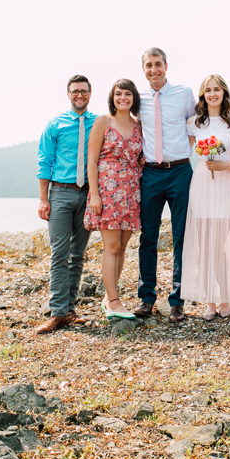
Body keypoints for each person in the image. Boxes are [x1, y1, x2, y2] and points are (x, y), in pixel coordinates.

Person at [135, 48, 197, 323]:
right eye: (149, 65)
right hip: (150, 173)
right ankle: (146, 298)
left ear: (166, 66)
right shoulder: (137, 98)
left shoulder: (184, 93)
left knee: (181, 235)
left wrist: (185, 151)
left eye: (158, 64)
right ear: (143, 69)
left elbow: (196, 125)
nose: (154, 69)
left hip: (180, 171)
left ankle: (177, 301)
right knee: (148, 236)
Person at [36, 75, 97, 334]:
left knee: (78, 254)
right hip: (60, 193)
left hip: (88, 195)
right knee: (59, 253)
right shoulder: (55, 124)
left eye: (83, 91)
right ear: (68, 94)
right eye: (75, 91)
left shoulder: (99, 123)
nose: (79, 95)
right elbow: (45, 161)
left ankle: (70, 309)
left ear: (90, 93)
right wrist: (43, 199)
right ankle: (57, 312)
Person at [181, 75, 230, 319]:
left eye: (217, 89)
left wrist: (226, 166)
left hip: (227, 183)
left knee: (218, 245)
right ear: (202, 95)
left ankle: (225, 297)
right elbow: (182, 150)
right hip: (202, 184)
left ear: (224, 93)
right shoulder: (194, 122)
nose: (212, 94)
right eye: (208, 90)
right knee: (204, 245)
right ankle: (209, 301)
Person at [83, 79, 143, 319]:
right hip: (108, 191)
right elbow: (91, 160)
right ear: (112, 98)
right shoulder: (103, 122)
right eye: (118, 94)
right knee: (112, 246)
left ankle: (109, 298)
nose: (123, 98)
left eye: (127, 94)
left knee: (123, 247)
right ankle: (114, 303)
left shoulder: (138, 125)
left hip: (132, 192)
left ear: (134, 98)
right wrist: (95, 194)